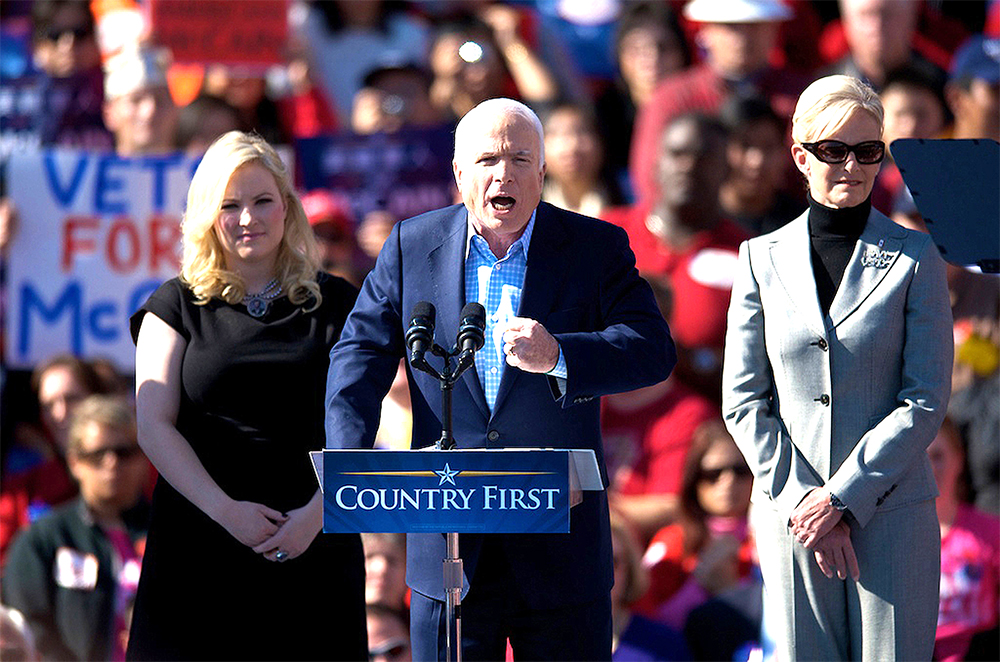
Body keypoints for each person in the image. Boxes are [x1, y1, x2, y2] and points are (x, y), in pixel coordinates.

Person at [325, 97, 674, 661]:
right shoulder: (411, 245)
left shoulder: (594, 247)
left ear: (542, 171)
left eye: (519, 158)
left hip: (561, 547)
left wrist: (560, 353)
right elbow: (359, 353)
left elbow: (653, 351)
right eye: (488, 159)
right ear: (459, 174)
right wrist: (349, 459)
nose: (503, 173)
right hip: (449, 547)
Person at [722, 74, 953, 660]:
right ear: (800, 156)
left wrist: (842, 498)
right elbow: (743, 400)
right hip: (788, 513)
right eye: (833, 150)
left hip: (895, 513)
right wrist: (808, 503)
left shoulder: (917, 256)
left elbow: (924, 400)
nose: (850, 165)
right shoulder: (758, 258)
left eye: (867, 151)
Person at [127, 131, 366, 660]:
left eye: (262, 201)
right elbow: (153, 424)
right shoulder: (174, 304)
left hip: (316, 537)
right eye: (229, 205)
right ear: (207, 215)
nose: (247, 218)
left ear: (287, 205)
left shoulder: (340, 302)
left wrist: (320, 512)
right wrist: (226, 511)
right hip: (199, 542)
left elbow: (370, 419)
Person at [2, 395, 150, 661]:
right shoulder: (44, 538)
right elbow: (27, 625)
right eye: (97, 455)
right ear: (74, 462)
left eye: (124, 452)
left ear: (143, 457)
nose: (111, 462)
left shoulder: (174, 536)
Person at [636, 421, 756, 633]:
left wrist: (731, 591)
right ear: (694, 480)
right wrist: (698, 585)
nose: (727, 481)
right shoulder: (673, 541)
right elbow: (643, 616)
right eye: (713, 474)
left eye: (740, 471)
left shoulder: (771, 538)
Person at [928, 418, 1000, 662]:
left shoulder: (989, 533)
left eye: (937, 456)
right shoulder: (894, 543)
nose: (929, 468)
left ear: (959, 459)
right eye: (920, 459)